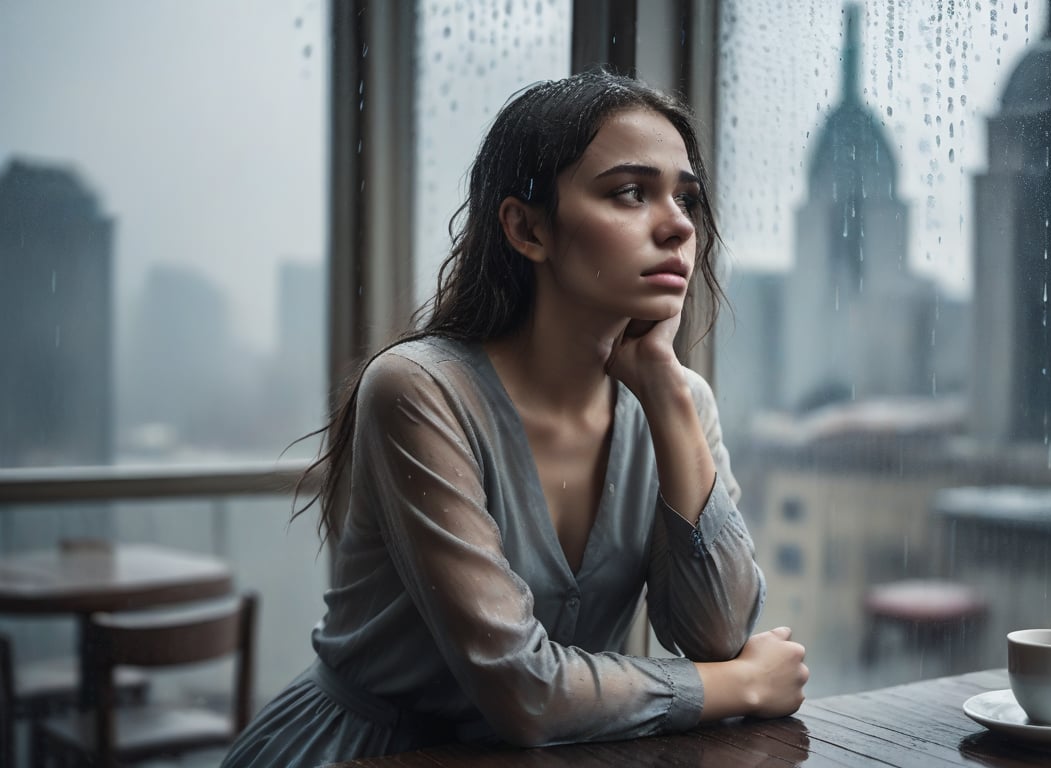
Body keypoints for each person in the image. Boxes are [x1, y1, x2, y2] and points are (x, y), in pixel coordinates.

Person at [221, 69, 808, 767]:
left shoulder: (676, 404)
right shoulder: (419, 391)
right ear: (527, 228)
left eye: (686, 198)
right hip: (364, 754)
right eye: (630, 192)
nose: (679, 224)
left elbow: (715, 631)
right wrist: (739, 684)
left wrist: (667, 392)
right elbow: (525, 691)